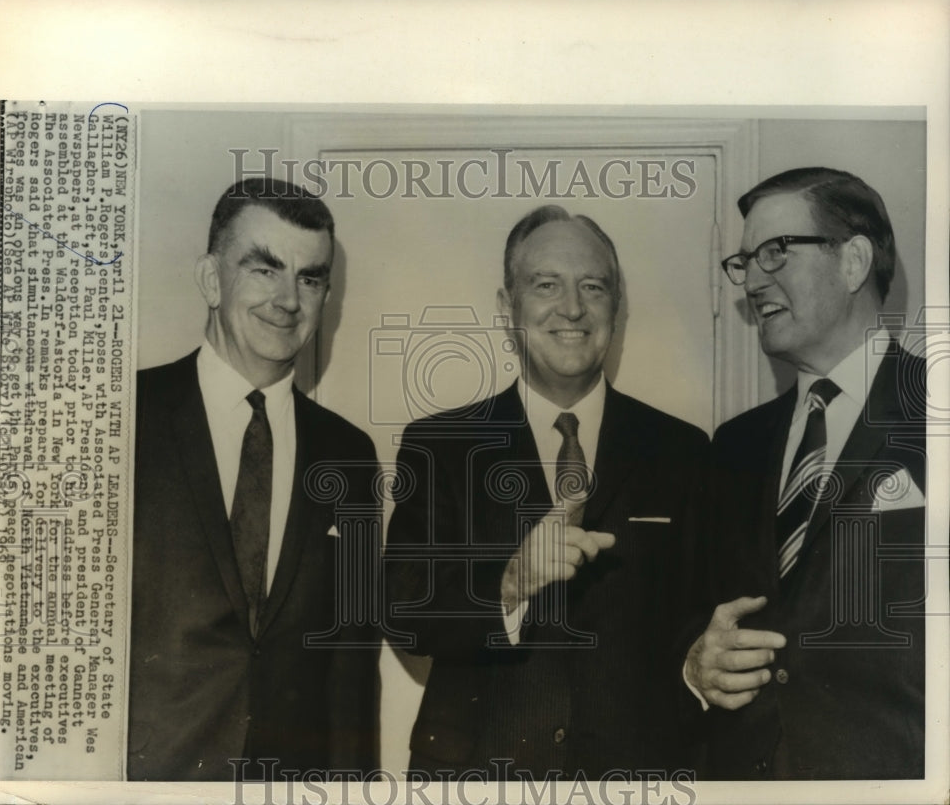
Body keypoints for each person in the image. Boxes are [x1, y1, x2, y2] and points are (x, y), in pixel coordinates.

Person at [384, 205, 709, 780]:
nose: (573, 308)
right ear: (507, 307)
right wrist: (509, 583)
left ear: (617, 307)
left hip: (638, 779)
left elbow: (696, 619)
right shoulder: (440, 445)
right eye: (546, 285)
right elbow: (403, 612)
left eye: (593, 287)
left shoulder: (683, 451)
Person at [128, 178, 381, 781]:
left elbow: (351, 671)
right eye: (265, 270)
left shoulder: (350, 456)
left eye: (311, 278)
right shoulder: (118, 417)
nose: (289, 300)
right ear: (212, 279)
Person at [685, 167, 926, 779]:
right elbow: (696, 609)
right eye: (745, 262)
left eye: (776, 252)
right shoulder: (733, 447)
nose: (754, 281)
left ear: (853, 262)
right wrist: (695, 663)